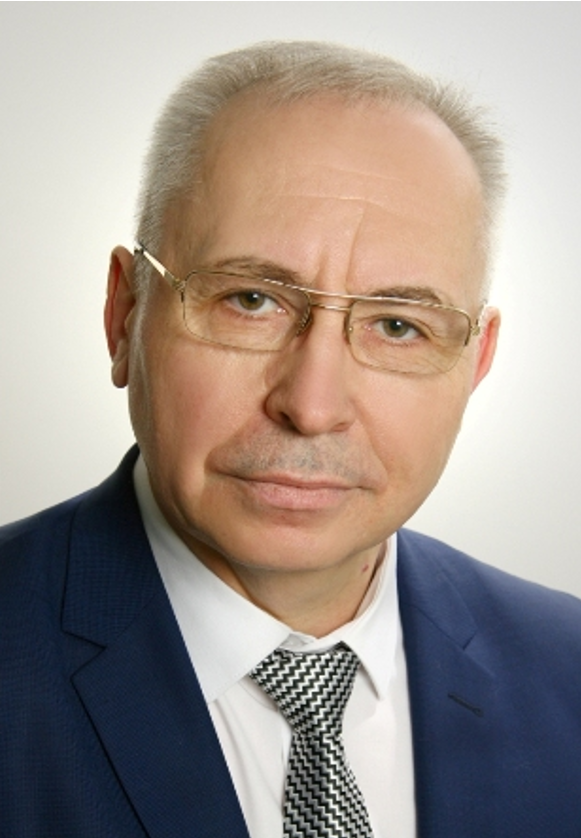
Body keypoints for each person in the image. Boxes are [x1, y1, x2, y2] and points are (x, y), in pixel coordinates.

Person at [1, 40, 580, 838]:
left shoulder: (567, 667)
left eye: (396, 325)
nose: (311, 407)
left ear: (474, 363)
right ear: (125, 313)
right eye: (250, 300)